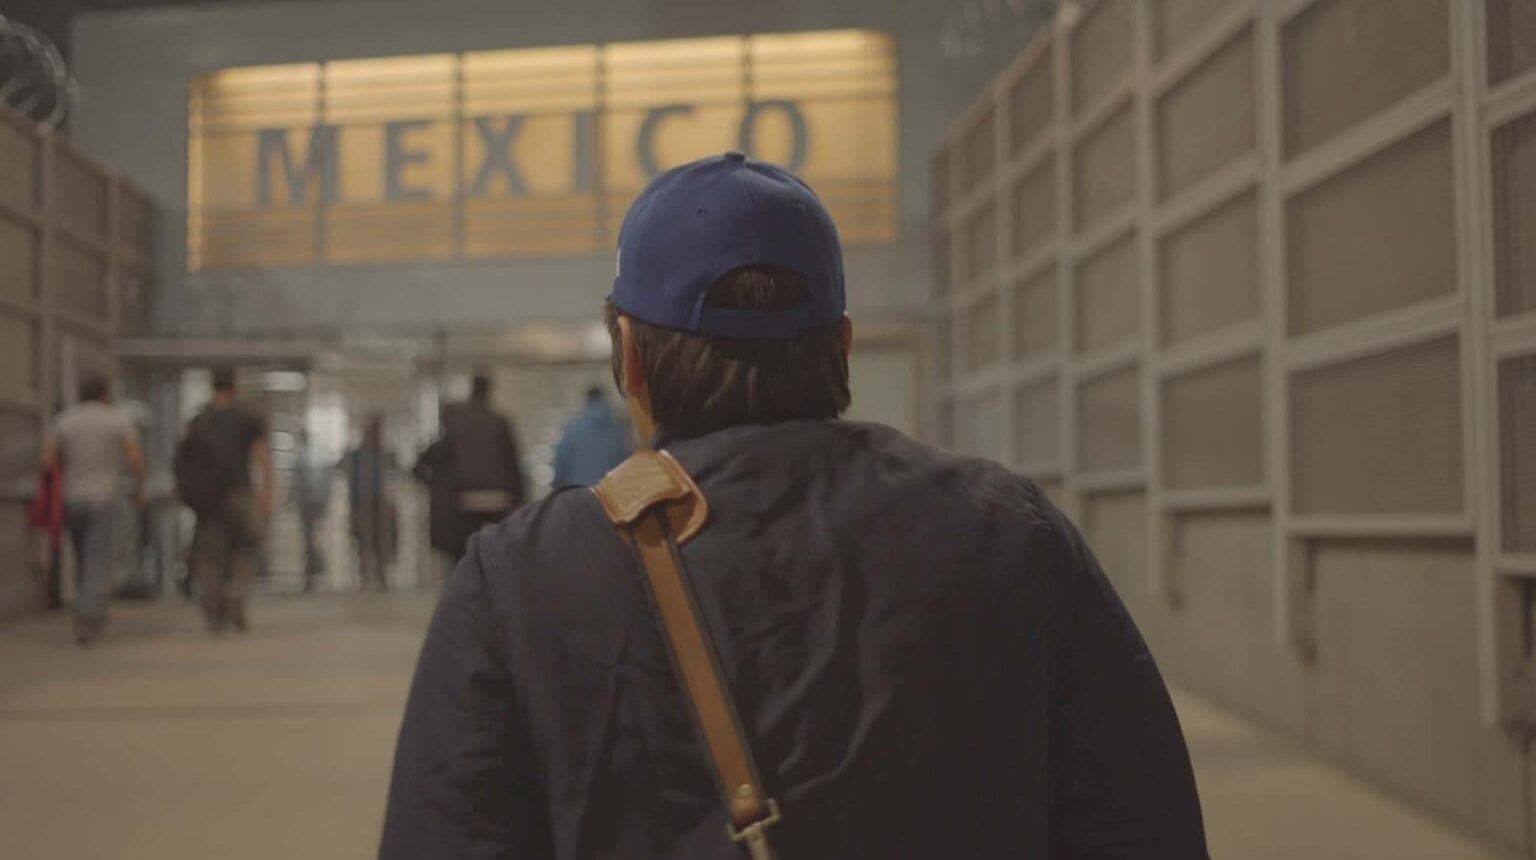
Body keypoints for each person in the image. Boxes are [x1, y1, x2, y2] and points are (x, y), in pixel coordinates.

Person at [381, 153, 1207, 858]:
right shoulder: (1010, 533)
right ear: (841, 346)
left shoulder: (521, 580)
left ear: (629, 357)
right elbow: (1143, 826)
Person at [41, 375, 144, 645]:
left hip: (72, 499)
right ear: (105, 394)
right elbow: (135, 458)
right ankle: (88, 618)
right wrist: (139, 488)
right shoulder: (117, 420)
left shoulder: (65, 420)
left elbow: (48, 460)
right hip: (104, 499)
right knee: (98, 559)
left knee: (82, 557)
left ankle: (87, 609)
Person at [181, 368, 272, 633]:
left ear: (213, 388)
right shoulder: (248, 419)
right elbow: (261, 456)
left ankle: (213, 609)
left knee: (210, 556)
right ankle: (236, 596)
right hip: (240, 495)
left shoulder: (198, 421)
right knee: (246, 549)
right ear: (234, 388)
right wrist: (267, 493)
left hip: (207, 501)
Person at [437, 372, 525, 558]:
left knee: (465, 551)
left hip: (465, 496)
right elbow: (512, 462)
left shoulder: (456, 421)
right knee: (500, 549)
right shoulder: (499, 422)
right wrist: (519, 498)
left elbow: (441, 458)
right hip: (498, 497)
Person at [342, 414, 397, 591]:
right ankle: (365, 574)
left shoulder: (384, 454)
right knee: (363, 538)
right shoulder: (357, 455)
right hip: (360, 503)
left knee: (381, 539)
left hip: (379, 503)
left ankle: (381, 573)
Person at [551, 385, 631, 489]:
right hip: (611, 494)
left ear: (587, 401)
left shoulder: (572, 431)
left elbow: (560, 468)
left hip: (579, 493)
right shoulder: (620, 432)